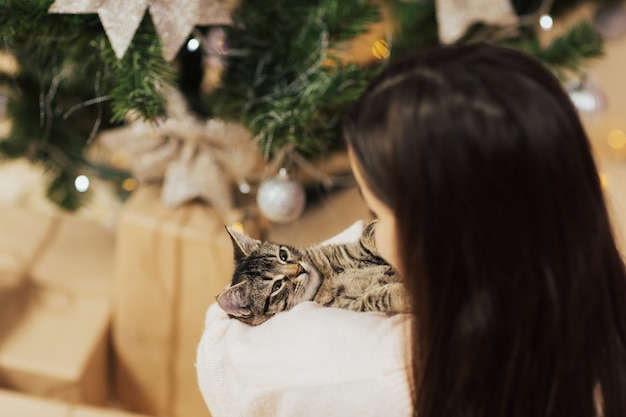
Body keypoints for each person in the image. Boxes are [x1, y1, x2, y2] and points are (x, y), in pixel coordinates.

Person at [197, 43, 626, 417]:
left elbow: (221, 354)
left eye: (380, 209)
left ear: (446, 238)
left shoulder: (383, 368)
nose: (369, 227)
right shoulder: (592, 306)